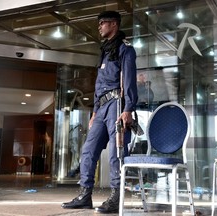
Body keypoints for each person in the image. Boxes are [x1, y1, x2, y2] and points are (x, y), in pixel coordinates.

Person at [61, 11, 138, 214]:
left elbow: (129, 81)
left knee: (116, 152)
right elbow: (98, 85)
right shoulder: (105, 51)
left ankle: (116, 197)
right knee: (88, 150)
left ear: (114, 24)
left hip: (117, 105)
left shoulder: (125, 49)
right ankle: (85, 195)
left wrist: (128, 108)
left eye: (102, 23)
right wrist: (94, 111)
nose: (99, 27)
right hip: (101, 108)